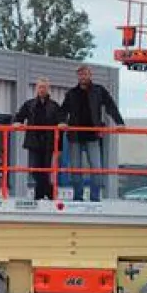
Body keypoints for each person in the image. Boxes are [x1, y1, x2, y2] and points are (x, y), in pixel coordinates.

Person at [60, 64, 125, 202]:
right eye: (80, 74)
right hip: (75, 136)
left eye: (85, 74)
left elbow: (110, 106)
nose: (82, 77)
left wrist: (119, 122)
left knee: (96, 168)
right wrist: (62, 121)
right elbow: (63, 110)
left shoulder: (99, 90)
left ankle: (95, 198)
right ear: (77, 76)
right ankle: (78, 197)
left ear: (90, 75)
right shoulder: (71, 93)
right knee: (75, 169)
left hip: (93, 135)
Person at [13, 77, 65, 200]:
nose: (42, 89)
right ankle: (49, 191)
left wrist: (59, 147)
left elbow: (61, 123)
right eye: (40, 87)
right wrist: (17, 122)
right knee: (35, 169)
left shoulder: (54, 106)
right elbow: (19, 117)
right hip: (34, 142)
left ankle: (39, 195)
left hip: (49, 142)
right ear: (36, 88)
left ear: (48, 89)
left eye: (44, 87)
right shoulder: (29, 104)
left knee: (46, 170)